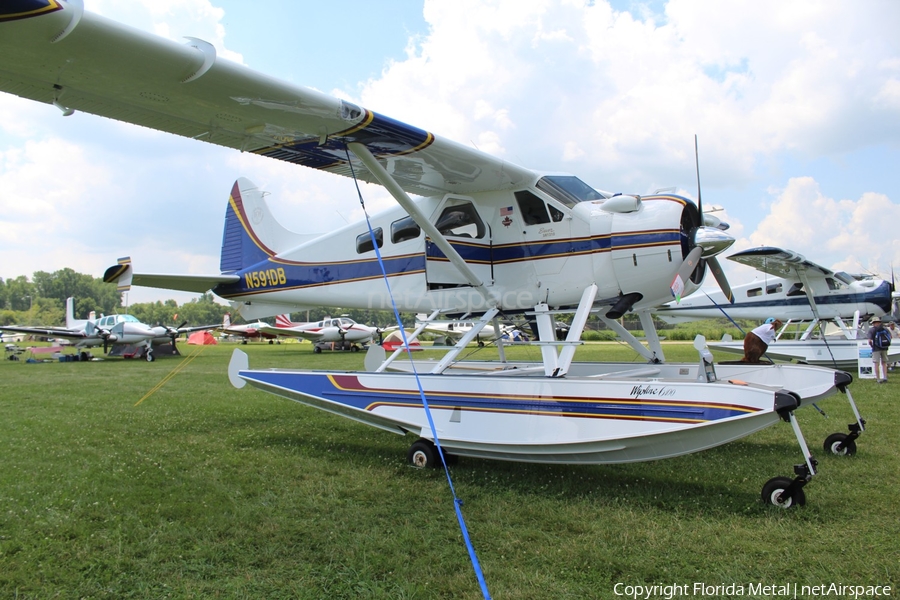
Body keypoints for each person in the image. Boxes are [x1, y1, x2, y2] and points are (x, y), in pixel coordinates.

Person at [868, 317, 891, 383]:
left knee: (876, 364)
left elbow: (869, 340)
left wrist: (871, 345)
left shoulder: (872, 330)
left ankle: (878, 379)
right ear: (880, 322)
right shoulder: (885, 329)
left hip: (876, 348)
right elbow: (890, 337)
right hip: (885, 348)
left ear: (873, 323)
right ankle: (885, 377)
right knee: (884, 363)